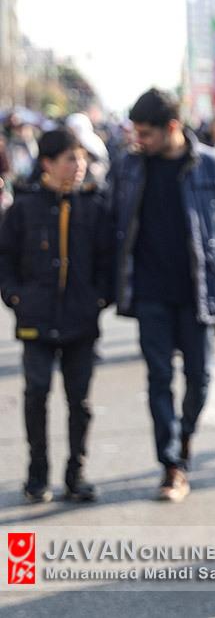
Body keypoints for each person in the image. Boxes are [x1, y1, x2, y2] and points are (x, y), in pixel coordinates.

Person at [111, 88, 215, 501]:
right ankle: (171, 464)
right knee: (159, 378)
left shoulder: (214, 166)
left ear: (172, 127)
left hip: (199, 292)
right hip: (150, 293)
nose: (139, 140)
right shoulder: (129, 167)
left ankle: (184, 436)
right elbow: (110, 220)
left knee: (200, 379)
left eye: (146, 133)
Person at [0, 129, 113, 504]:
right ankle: (37, 475)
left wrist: (100, 297)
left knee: (79, 401)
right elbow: (5, 257)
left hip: (81, 320)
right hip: (36, 318)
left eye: (81, 158)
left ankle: (75, 474)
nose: (78, 166)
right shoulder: (24, 208)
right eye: (70, 159)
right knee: (36, 395)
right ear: (47, 163)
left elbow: (106, 259)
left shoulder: (94, 206)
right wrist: (14, 296)